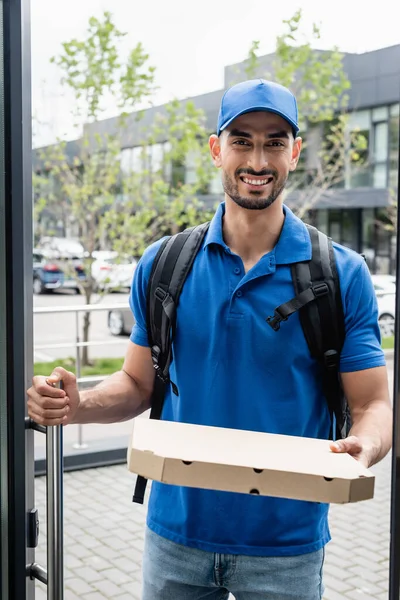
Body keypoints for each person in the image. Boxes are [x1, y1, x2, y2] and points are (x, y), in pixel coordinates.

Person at [27, 79, 393, 600]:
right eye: (242, 140)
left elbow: (374, 402)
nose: (258, 158)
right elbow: (137, 384)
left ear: (296, 153)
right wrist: (76, 403)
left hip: (286, 543)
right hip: (175, 537)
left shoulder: (341, 273)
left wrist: (368, 443)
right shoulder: (165, 264)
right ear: (216, 150)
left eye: (274, 141)